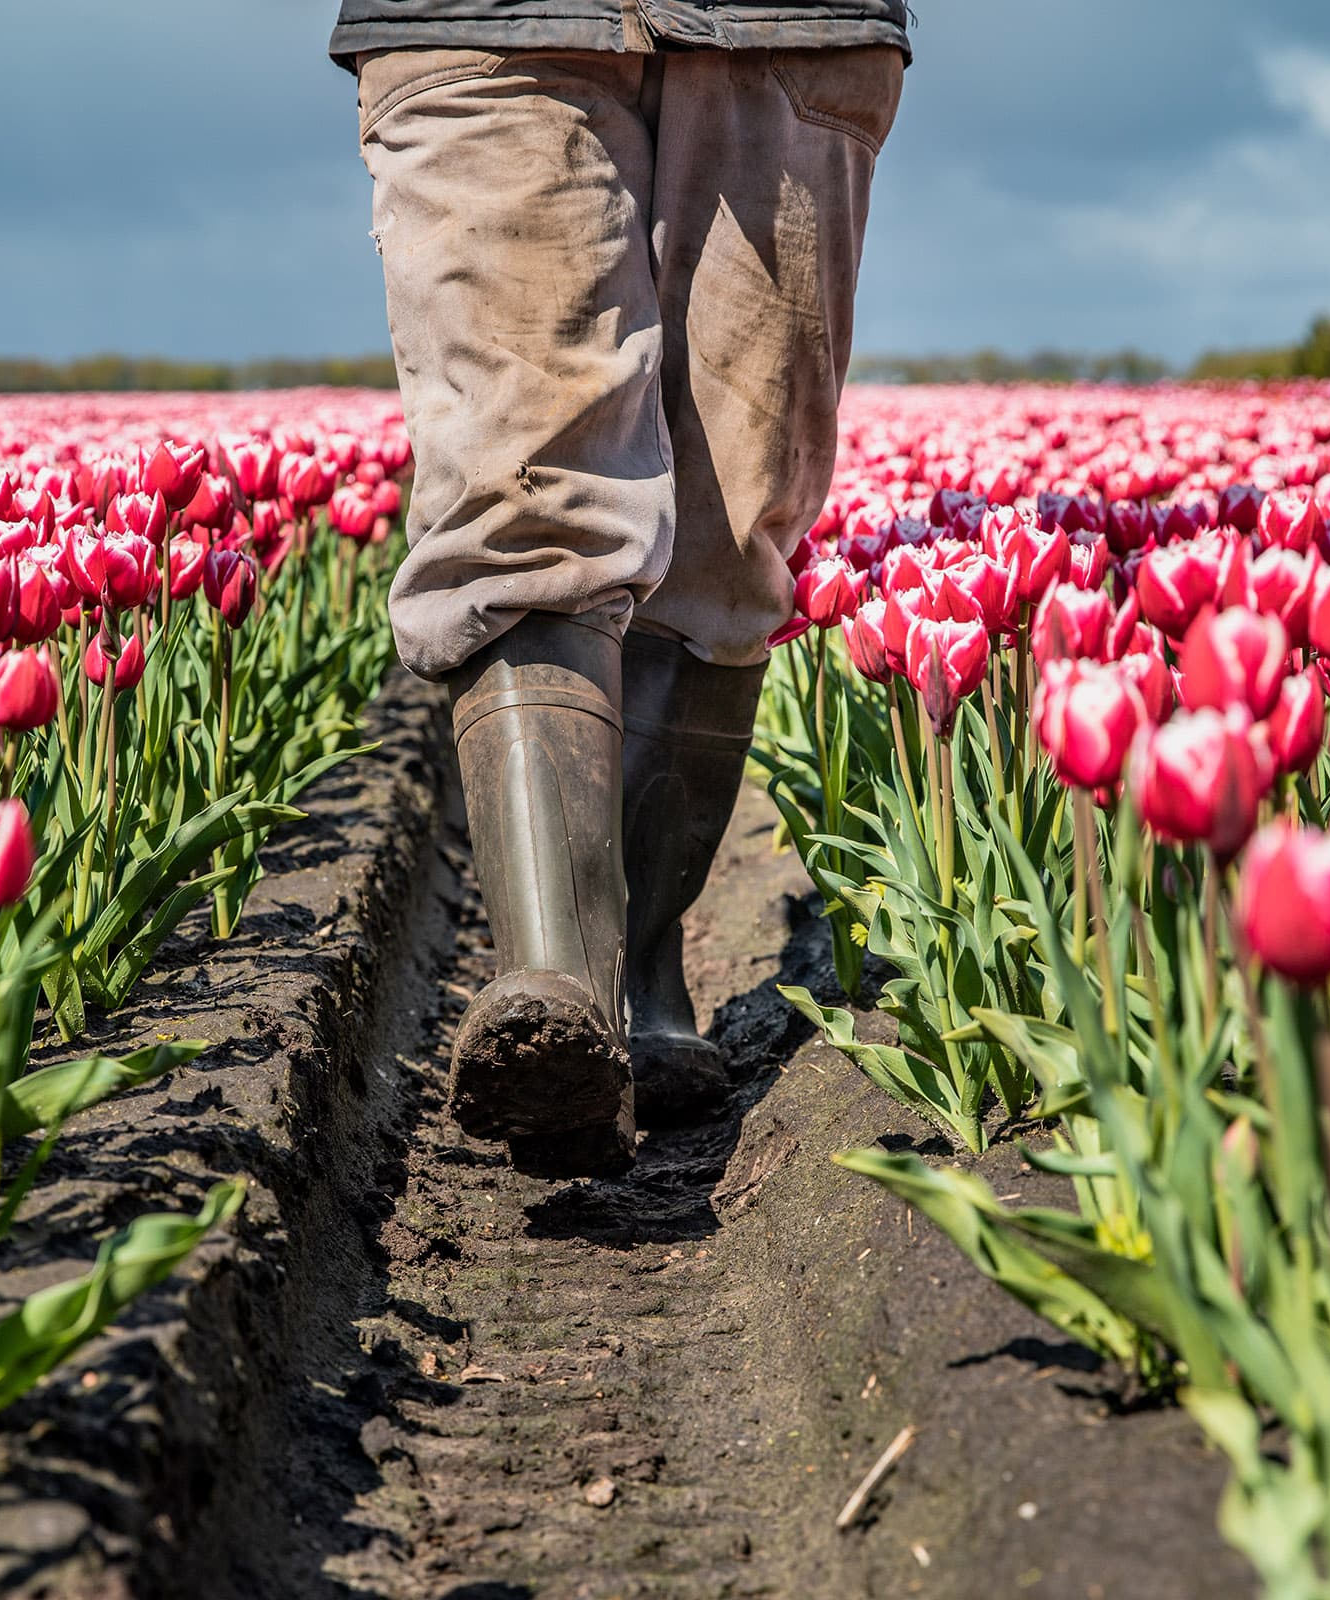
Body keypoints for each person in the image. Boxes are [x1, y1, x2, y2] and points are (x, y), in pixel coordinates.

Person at [334, 0, 907, 1178]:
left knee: (730, 523)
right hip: (483, 23)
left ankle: (644, 967)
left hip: (788, 25)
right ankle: (559, 988)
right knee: (527, 485)